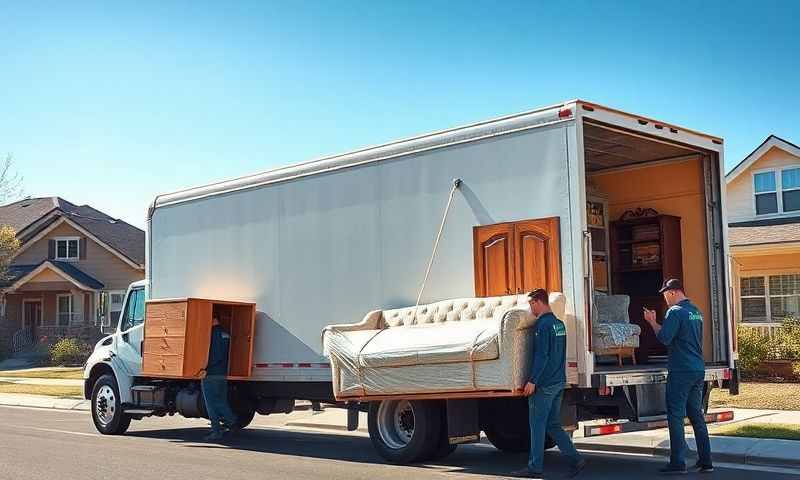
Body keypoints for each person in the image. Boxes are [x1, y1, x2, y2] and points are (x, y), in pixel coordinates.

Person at [511, 288, 585, 479]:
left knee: (537, 425)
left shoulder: (542, 326)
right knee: (553, 425)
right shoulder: (559, 324)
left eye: (530, 304)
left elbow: (542, 356)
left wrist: (532, 381)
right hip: (558, 381)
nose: (530, 309)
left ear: (538, 302)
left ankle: (535, 467)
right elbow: (558, 354)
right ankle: (575, 459)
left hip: (543, 385)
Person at [643, 278, 713, 475]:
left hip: (681, 370)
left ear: (673, 292)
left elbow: (664, 338)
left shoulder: (675, 312)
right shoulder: (696, 312)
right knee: (696, 416)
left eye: (665, 294)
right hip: (697, 369)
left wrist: (652, 322)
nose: (665, 298)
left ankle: (678, 462)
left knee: (675, 416)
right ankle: (706, 461)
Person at [199, 315, 238, 441]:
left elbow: (214, 355)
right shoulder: (225, 333)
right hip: (223, 373)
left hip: (211, 374)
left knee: (211, 404)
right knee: (221, 401)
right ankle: (233, 423)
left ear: (212, 319)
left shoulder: (212, 335)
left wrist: (205, 369)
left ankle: (216, 431)